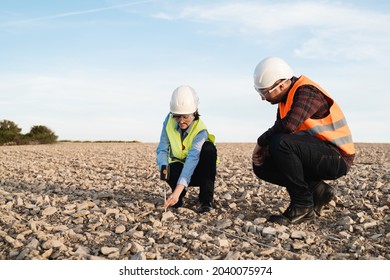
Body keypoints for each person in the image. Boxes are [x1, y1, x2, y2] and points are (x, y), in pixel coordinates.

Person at [252, 56, 355, 225]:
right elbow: (281, 129)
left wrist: (261, 142)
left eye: (265, 92)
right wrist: (265, 150)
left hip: (337, 157)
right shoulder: (284, 101)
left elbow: (288, 126)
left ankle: (302, 206)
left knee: (279, 143)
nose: (263, 98)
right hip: (314, 154)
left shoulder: (306, 92)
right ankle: (317, 190)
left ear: (282, 84)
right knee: (262, 164)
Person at [156, 85, 217, 213]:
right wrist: (163, 167)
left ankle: (206, 200)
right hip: (180, 168)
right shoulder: (168, 121)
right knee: (168, 167)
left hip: (200, 172)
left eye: (185, 117)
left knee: (208, 149)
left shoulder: (201, 131)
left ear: (194, 113)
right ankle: (178, 198)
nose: (181, 121)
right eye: (177, 116)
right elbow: (162, 148)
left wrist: (176, 191)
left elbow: (192, 159)